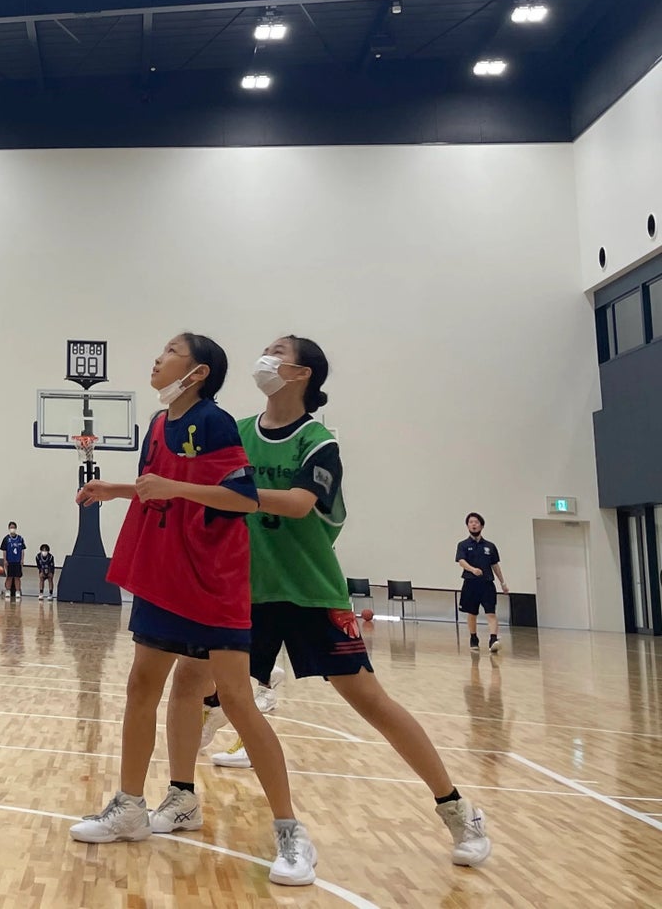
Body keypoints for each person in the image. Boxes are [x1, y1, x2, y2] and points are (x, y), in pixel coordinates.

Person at [175, 337, 492, 866]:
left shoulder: (318, 442)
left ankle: (457, 808)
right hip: (247, 593)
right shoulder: (239, 433)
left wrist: (228, 496)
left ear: (301, 373)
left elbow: (299, 504)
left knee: (372, 703)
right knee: (193, 680)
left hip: (311, 593)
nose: (265, 357)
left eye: (278, 351)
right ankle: (183, 792)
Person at [69, 332, 317, 887]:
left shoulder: (215, 422)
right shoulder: (158, 424)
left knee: (236, 699)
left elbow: (241, 497)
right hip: (165, 570)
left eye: (170, 351)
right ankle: (132, 806)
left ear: (198, 371)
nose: (157, 358)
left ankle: (290, 830)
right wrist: (118, 489)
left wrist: (172, 489)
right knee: (141, 685)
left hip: (213, 578)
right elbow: (159, 488)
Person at [457, 513, 508, 654]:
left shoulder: (490, 546)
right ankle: (473, 638)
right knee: (472, 613)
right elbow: (461, 561)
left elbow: (495, 565)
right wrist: (472, 569)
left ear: (482, 525)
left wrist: (503, 582)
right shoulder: (463, 545)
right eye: (470, 522)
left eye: (476, 522)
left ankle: (493, 640)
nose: (473, 524)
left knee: (491, 612)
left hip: (487, 584)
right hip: (470, 583)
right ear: (467, 526)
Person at [2, 522, 26, 601]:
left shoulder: (20, 539)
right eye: (11, 527)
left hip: (17, 561)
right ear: (9, 528)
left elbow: (22, 550)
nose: (12, 529)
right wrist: (5, 560)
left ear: (16, 528)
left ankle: (17, 591)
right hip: (9, 561)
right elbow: (4, 550)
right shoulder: (6, 539)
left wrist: (22, 559)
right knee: (9, 577)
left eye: (14, 527)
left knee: (17, 577)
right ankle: (8, 591)